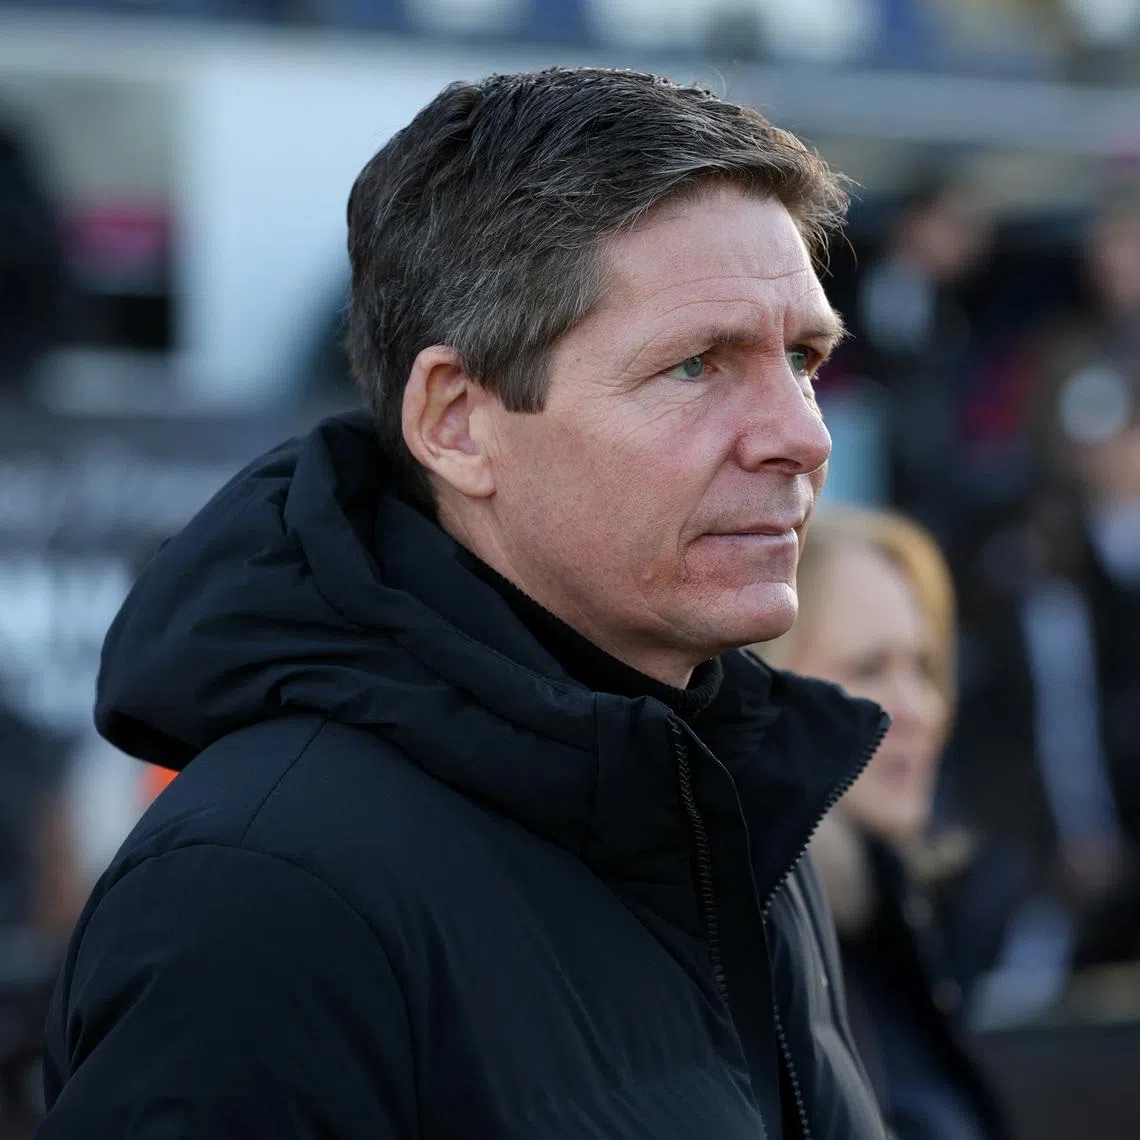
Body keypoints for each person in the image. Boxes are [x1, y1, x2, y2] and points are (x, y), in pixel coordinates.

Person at [38, 68, 891, 1139]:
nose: (803, 435)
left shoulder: (729, 806)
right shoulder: (262, 893)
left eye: (804, 359)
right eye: (696, 365)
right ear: (454, 421)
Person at [756, 507, 1013, 1140]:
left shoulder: (891, 916)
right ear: (761, 687)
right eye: (870, 669)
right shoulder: (741, 953)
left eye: (924, 668)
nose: (922, 708)